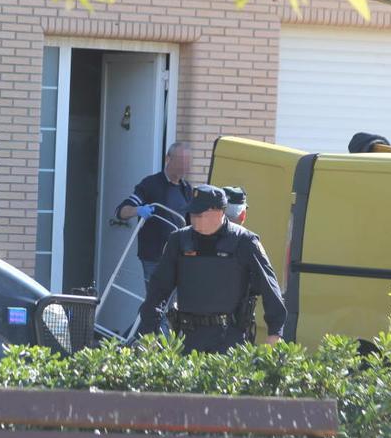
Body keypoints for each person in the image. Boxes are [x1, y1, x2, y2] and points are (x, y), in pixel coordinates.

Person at [136, 184, 286, 353]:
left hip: (228, 338)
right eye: (192, 214)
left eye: (200, 214)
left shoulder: (244, 241)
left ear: (219, 211)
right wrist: (149, 330)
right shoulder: (178, 240)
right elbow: (158, 288)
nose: (194, 220)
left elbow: (269, 287)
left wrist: (275, 332)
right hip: (188, 338)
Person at [116, 142, 193, 291]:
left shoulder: (187, 189)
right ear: (168, 159)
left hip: (178, 256)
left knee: (174, 304)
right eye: (180, 161)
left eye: (187, 163)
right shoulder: (150, 184)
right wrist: (138, 210)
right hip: (154, 256)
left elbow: (191, 222)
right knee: (156, 301)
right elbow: (121, 211)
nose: (184, 167)